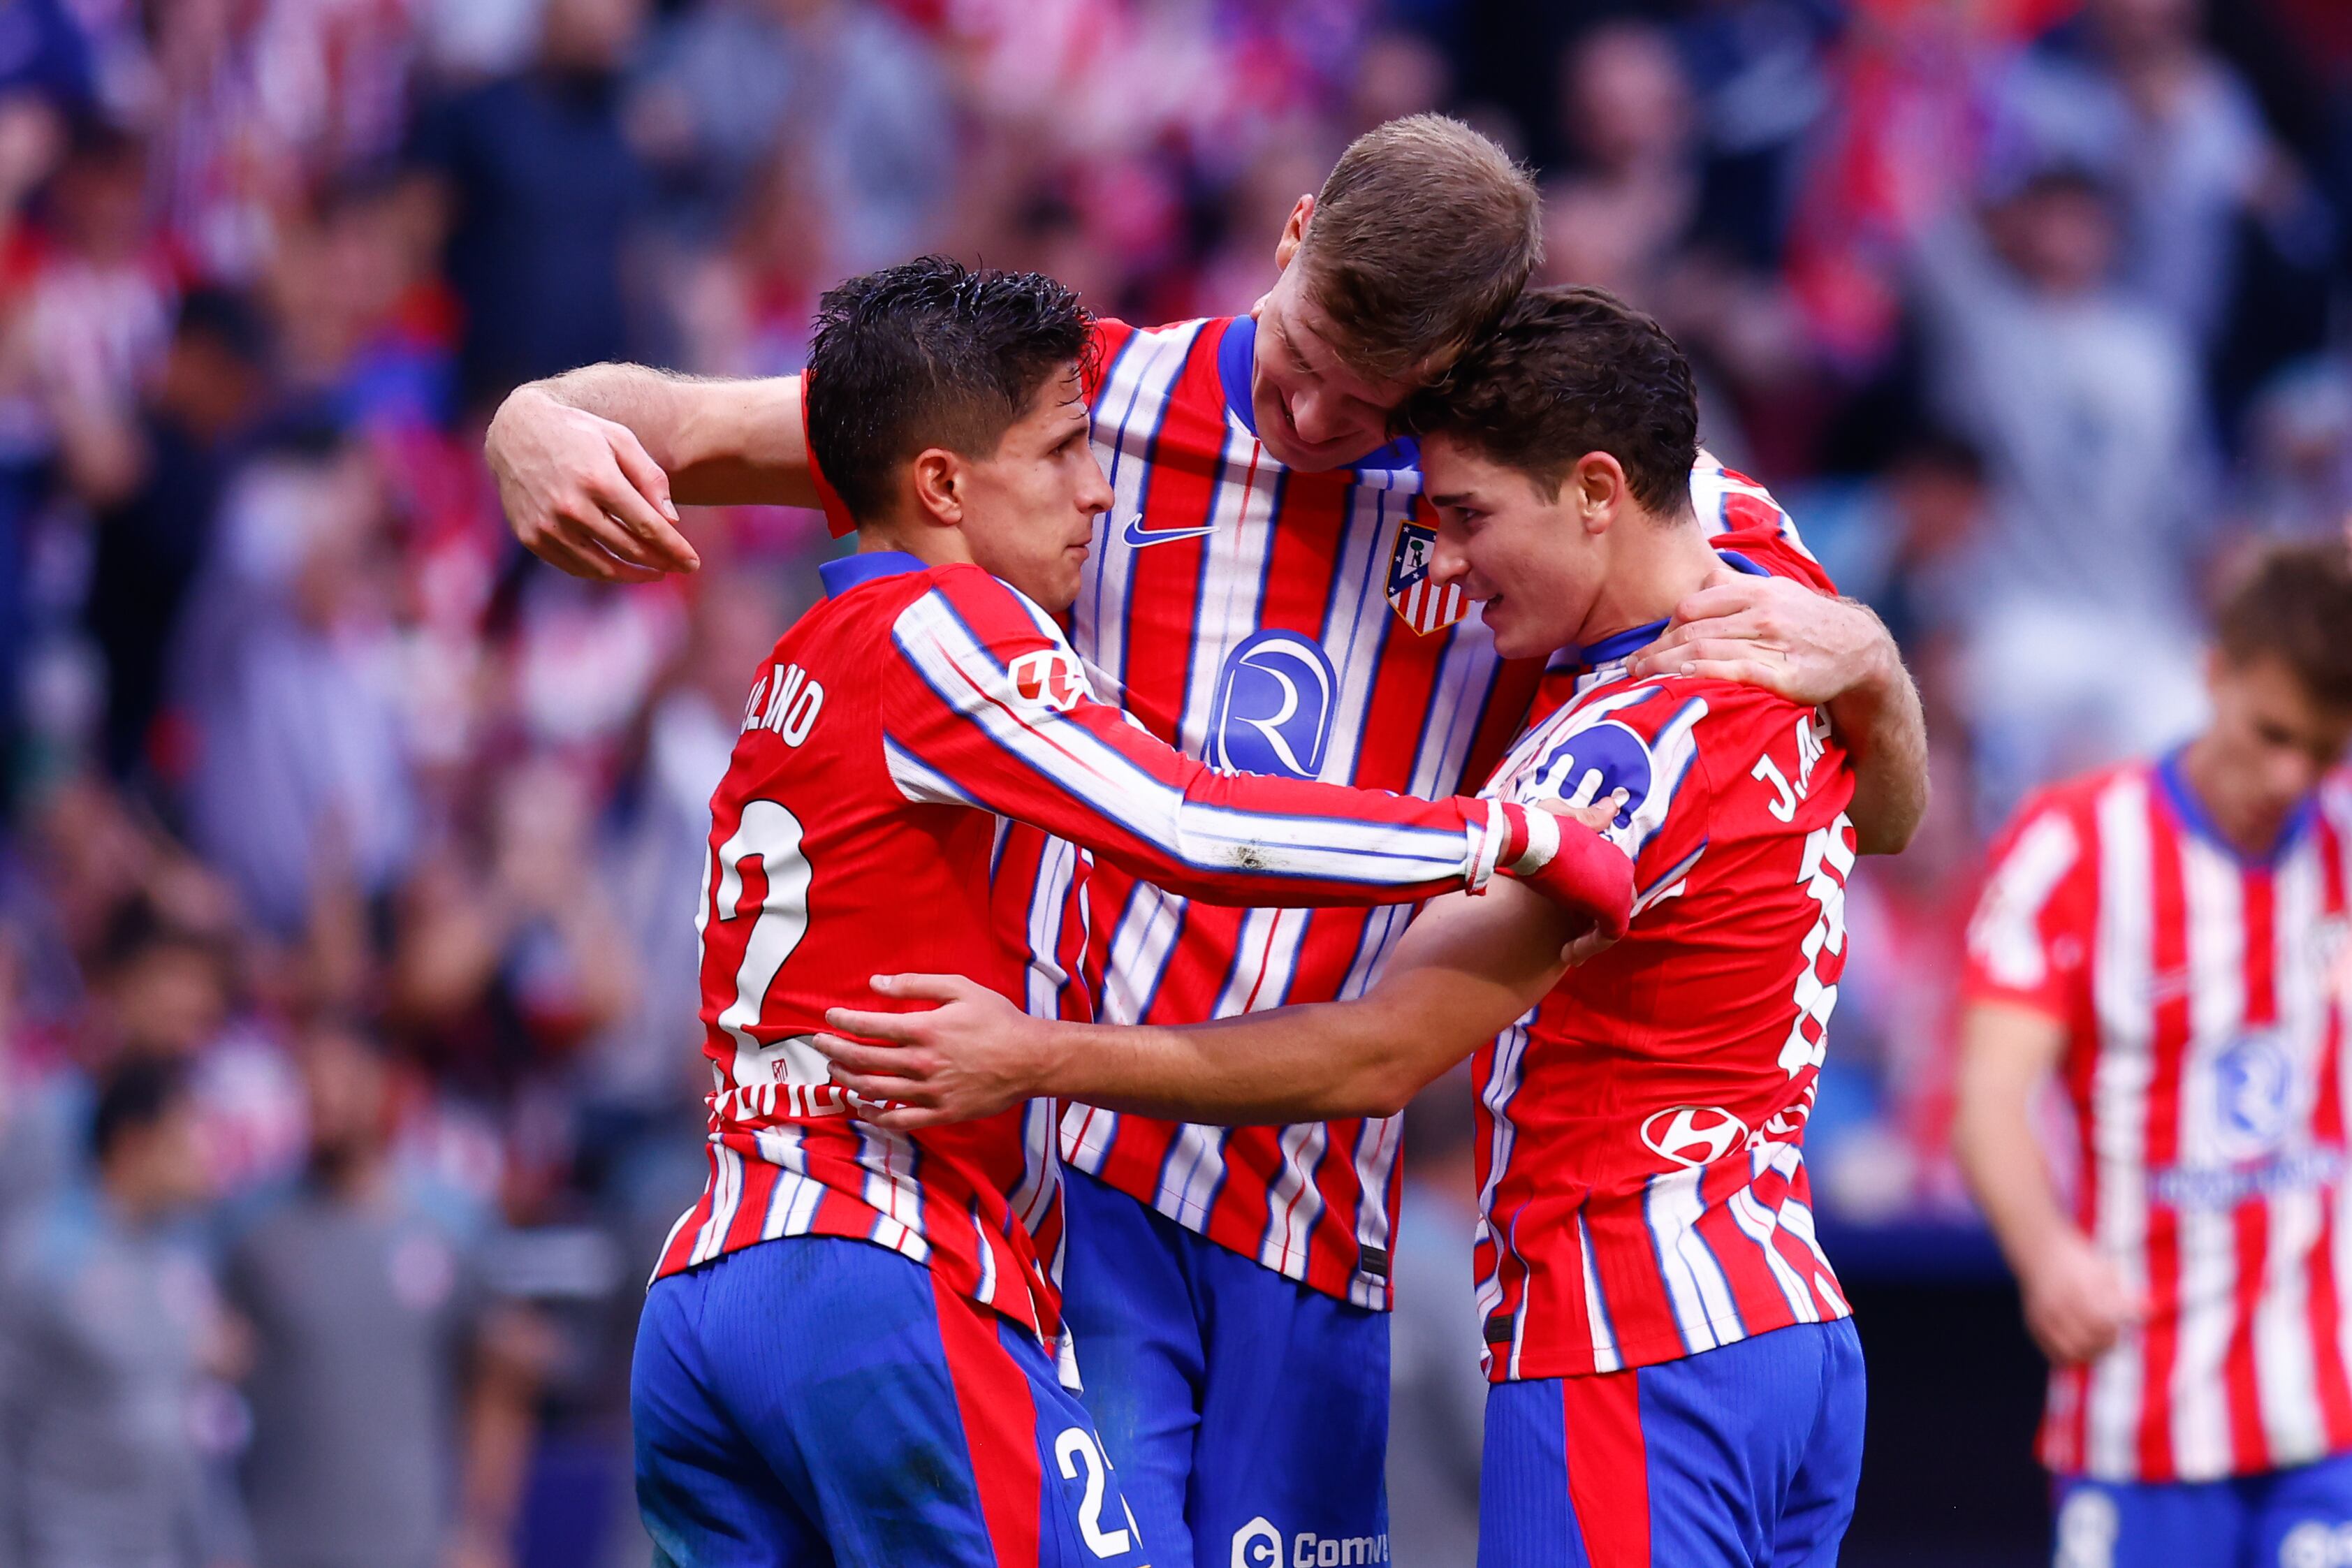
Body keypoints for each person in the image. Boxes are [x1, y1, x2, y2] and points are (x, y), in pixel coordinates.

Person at [488, 113, 1927, 1567]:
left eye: (1369, 409)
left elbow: (1867, 809)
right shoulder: (1083, 413)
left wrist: (1871, 664)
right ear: (1293, 236)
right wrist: (532, 420)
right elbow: (681, 422)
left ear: (1459, 379)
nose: (1309, 422)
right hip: (1095, 1183)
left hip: (1322, 1214)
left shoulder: (1555, 481)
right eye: (1301, 361)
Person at [812, 286, 1870, 1568]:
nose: (1443, 559)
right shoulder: (1789, 654)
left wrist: (1034, 1054)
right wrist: (1877, 666)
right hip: (1790, 1324)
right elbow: (1894, 811)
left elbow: (1375, 1057)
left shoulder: (1612, 757)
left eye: (1468, 517)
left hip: (1628, 1332)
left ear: (1599, 491)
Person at [629, 256, 1629, 1568]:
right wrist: (1506, 830)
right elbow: (1192, 823)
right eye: (1059, 454)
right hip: (876, 1270)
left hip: (708, 1282)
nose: (1100, 488)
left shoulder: (798, 662)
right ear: (941, 484)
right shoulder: (953, 630)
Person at [1952, 541, 2352, 1568]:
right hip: (2137, 1404)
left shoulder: (2339, 849)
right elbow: (1989, 1092)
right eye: (2269, 734)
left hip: (2328, 1411)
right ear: (2210, 672)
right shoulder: (2073, 849)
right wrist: (2044, 1255)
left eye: (2321, 750)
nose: (2288, 776)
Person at [223, 1020, 544, 1568]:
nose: (323, 1092)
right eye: (309, 1077)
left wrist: (480, 1527)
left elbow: (499, 1385)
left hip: (413, 1544)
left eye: (342, 1074)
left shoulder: (453, 1223)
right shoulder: (251, 1229)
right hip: (277, 1542)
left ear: (386, 1085)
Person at [0, 1057, 249, 1568]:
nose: (206, 1156)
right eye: (188, 1137)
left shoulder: (177, 1262)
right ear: (136, 1142)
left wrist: (222, 1544)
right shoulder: (41, 1260)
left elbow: (184, 1428)